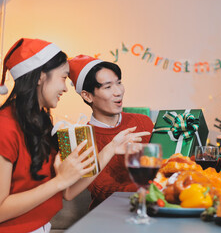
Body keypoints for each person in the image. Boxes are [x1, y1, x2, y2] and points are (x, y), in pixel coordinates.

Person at [0, 38, 149, 233]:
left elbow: (68, 192)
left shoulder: (42, 123)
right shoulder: (5, 126)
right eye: (63, 78)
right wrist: (59, 181)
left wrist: (112, 147)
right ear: (39, 77)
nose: (65, 87)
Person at [68, 55, 154, 209]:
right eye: (108, 87)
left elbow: (165, 165)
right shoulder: (80, 137)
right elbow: (103, 190)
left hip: (152, 209)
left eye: (119, 83)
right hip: (108, 215)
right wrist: (151, 187)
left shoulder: (142, 121)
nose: (118, 92)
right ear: (87, 96)